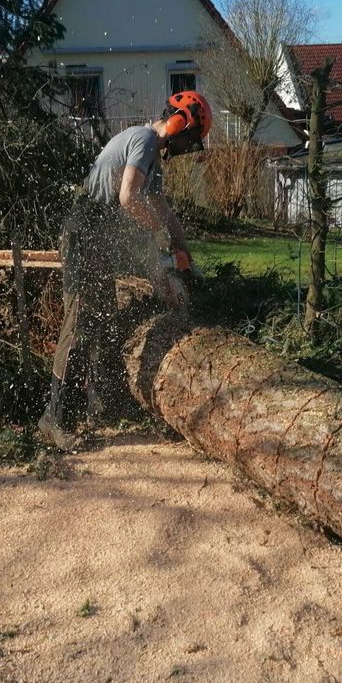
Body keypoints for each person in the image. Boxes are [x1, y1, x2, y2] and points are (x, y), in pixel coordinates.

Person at [38, 91, 213, 451]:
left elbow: (163, 213)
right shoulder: (146, 140)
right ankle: (54, 418)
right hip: (85, 230)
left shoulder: (152, 161)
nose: (186, 147)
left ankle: (98, 405)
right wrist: (159, 238)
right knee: (81, 320)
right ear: (180, 122)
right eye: (190, 138)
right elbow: (128, 198)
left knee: (102, 318)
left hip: (97, 235)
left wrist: (181, 253)